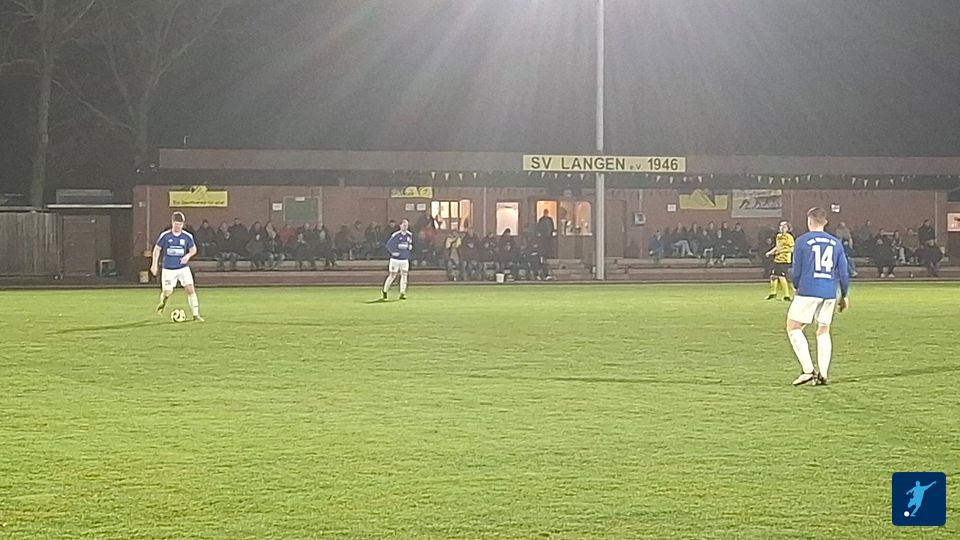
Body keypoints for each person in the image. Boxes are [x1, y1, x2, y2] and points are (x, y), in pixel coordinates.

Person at [786, 207, 850, 386]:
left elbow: (796, 270)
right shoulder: (836, 243)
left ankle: (808, 370)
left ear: (809, 221)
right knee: (823, 329)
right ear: (825, 222)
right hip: (829, 292)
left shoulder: (802, 241)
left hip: (808, 289)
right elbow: (843, 272)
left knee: (793, 326)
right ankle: (823, 373)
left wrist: (797, 286)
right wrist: (844, 295)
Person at [150, 212, 204, 321]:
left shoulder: (187, 236)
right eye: (176, 224)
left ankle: (196, 314)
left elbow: (193, 249)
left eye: (180, 224)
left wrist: (188, 256)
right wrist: (154, 264)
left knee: (190, 289)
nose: (178, 226)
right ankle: (163, 302)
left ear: (183, 224)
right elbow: (157, 249)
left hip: (183, 268)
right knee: (168, 292)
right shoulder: (165, 236)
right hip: (168, 269)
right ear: (172, 223)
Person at [382, 218, 413, 300]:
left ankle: (402, 292)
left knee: (404, 275)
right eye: (404, 225)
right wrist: (393, 252)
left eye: (406, 225)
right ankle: (385, 291)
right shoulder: (396, 235)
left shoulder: (409, 235)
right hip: (395, 260)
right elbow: (388, 245)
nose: (405, 227)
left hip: (404, 259)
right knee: (392, 276)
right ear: (400, 225)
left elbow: (409, 245)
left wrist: (409, 247)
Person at [765, 221, 795, 301]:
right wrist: (770, 252)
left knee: (781, 277)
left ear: (788, 228)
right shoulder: (778, 236)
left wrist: (781, 252)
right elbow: (777, 247)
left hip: (784, 260)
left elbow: (792, 249)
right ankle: (773, 293)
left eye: (784, 226)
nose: (782, 228)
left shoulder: (789, 237)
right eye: (781, 226)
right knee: (773, 276)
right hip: (777, 259)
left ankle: (787, 295)